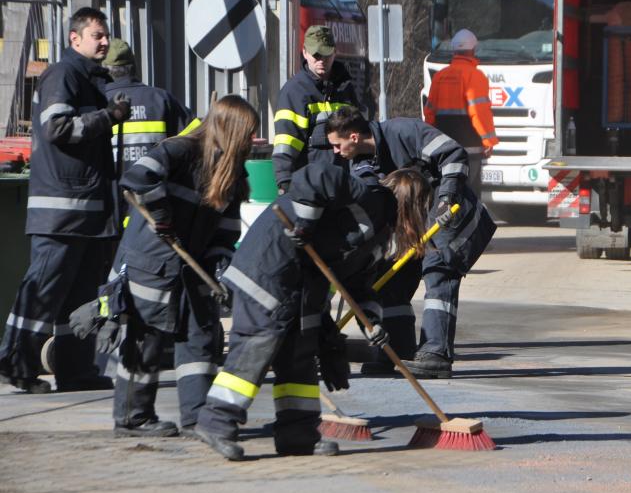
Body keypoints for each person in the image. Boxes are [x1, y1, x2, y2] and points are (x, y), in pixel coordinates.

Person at [194, 163, 430, 461]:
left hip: (301, 287)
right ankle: (215, 422)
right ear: (414, 205)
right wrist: (304, 224)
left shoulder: (380, 235)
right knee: (256, 345)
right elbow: (315, 175)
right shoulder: (367, 196)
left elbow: (359, 285)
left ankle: (298, 435)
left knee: (299, 356)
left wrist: (372, 322)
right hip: (268, 269)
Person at [110, 96, 257, 437]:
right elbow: (138, 178)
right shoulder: (179, 150)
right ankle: (132, 419)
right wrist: (162, 215)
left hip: (195, 264)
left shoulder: (233, 172)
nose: (252, 141)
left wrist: (221, 267)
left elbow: (226, 230)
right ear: (231, 129)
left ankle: (197, 417)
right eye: (248, 133)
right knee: (145, 338)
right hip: (153, 260)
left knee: (200, 338)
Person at [0, 7, 126, 394]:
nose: (104, 42)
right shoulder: (63, 74)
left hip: (88, 214)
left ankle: (76, 370)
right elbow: (57, 128)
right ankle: (16, 364)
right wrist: (107, 117)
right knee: (44, 290)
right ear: (75, 38)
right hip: (61, 214)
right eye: (97, 35)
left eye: (106, 35)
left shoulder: (91, 79)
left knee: (80, 298)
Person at [326, 108, 496, 379]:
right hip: (413, 219)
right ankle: (396, 350)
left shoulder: (404, 132)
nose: (335, 151)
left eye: (337, 144)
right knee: (391, 277)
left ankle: (436, 354)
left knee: (438, 270)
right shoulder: (358, 162)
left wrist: (448, 196)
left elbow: (453, 153)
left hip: (448, 213)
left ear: (354, 137)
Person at [271, 25, 365, 194]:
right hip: (309, 189)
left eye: (326, 54)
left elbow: (359, 136)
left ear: (335, 52)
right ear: (305, 52)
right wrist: (284, 182)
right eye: (316, 55)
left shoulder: (346, 88)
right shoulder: (295, 92)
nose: (321, 60)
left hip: (343, 187)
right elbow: (285, 144)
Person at [103, 38, 199, 173]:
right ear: (133, 66)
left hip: (107, 185)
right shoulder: (161, 98)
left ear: (103, 70)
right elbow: (196, 136)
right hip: (154, 183)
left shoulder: (96, 101)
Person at [423, 28, 499, 196]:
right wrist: (488, 140)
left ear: (454, 50)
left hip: (443, 147)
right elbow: (479, 113)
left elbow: (429, 113)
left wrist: (429, 140)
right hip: (470, 147)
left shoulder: (440, 76)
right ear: (473, 50)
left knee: (446, 191)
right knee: (469, 194)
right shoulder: (476, 76)